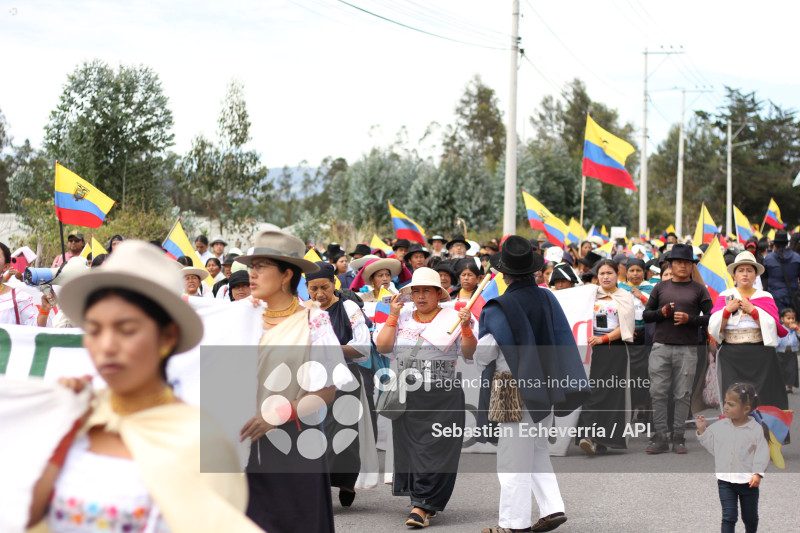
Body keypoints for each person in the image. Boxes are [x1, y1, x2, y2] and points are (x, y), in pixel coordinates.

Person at [24, 240, 259, 532]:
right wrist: (61, 424)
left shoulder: (201, 442)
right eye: (94, 329)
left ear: (167, 337)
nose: (106, 346)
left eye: (127, 329)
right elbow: (26, 516)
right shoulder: (75, 415)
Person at [235, 230, 351, 533]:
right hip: (240, 441)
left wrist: (276, 415)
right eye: (252, 266)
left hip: (295, 442)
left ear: (286, 274)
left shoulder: (314, 321)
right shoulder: (238, 317)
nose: (253, 274)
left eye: (261, 267)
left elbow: (326, 390)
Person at [473, 236, 589, 533]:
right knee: (536, 449)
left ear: (504, 274)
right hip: (548, 385)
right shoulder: (548, 297)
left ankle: (512, 524)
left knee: (512, 457)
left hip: (511, 388)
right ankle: (552, 508)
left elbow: (484, 354)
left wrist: (467, 329)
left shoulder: (497, 306)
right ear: (533, 270)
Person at [375, 267, 475, 528]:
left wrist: (465, 328)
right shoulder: (404, 315)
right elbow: (383, 347)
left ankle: (422, 505)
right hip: (409, 393)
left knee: (437, 449)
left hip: (443, 394)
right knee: (412, 450)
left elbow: (470, 353)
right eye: (416, 291)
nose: (420, 296)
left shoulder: (455, 316)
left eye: (426, 291)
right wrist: (393, 316)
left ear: (438, 294)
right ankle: (424, 501)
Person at [305, 262, 375, 508]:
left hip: (344, 377)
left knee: (343, 433)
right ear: (306, 288)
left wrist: (328, 348)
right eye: (313, 289)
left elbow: (362, 347)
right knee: (313, 433)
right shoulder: (304, 312)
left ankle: (345, 481)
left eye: (324, 287)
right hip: (312, 379)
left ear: (334, 283)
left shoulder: (348, 307)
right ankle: (318, 487)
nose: (319, 294)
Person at [644, 244, 712, 454]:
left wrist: (691, 319)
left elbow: (712, 317)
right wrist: (661, 313)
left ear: (692, 266)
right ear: (670, 265)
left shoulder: (700, 289)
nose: (683, 266)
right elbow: (646, 316)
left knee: (682, 394)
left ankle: (679, 436)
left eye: (687, 263)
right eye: (678, 262)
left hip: (688, 349)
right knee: (658, 392)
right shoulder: (660, 287)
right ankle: (661, 436)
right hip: (661, 346)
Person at [708, 251, 789, 413]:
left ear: (755, 275)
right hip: (732, 357)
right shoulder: (725, 296)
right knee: (734, 399)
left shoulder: (765, 297)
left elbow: (774, 326)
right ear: (734, 276)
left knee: (762, 399)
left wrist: (754, 311)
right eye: (741, 270)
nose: (745, 274)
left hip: (761, 357)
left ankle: (761, 434)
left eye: (749, 270)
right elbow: (714, 328)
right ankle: (735, 436)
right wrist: (726, 311)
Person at [577, 259, 635, 455]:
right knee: (591, 392)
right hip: (591, 350)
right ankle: (589, 436)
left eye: (609, 273)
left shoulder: (624, 296)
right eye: (602, 274)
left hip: (614, 350)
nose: (606, 277)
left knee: (610, 394)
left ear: (617, 274)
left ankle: (602, 439)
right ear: (597, 276)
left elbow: (626, 327)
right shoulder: (590, 295)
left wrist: (603, 339)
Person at [696, 383, 770, 533]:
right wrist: (703, 430)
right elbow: (713, 447)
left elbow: (762, 453)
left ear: (746, 409)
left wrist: (757, 473)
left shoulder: (755, 429)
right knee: (729, 517)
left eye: (731, 404)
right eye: (725, 402)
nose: (726, 407)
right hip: (725, 480)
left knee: (750, 518)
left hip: (748, 481)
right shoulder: (721, 425)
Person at [619, 257, 655, 416]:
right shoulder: (619, 289)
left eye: (638, 270)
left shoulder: (651, 288)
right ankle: (630, 407)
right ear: (626, 273)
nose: (635, 274)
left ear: (644, 272)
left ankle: (643, 407)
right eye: (632, 271)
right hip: (627, 336)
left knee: (645, 372)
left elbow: (655, 309)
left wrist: (641, 296)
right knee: (629, 373)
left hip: (646, 335)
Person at [1, 242, 53, 326]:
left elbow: (33, 327)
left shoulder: (18, 297)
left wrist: (44, 310)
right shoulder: (8, 277)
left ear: (6, 266)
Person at [763, 230, 800, 312]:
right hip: (793, 296)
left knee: (778, 322)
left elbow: (764, 279)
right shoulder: (797, 258)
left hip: (775, 296)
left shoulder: (768, 259)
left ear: (774, 244)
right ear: (787, 243)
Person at [776, 308, 800, 393]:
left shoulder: (795, 329)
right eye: (788, 318)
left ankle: (789, 387)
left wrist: (797, 329)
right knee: (781, 369)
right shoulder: (780, 328)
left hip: (792, 352)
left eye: (793, 318)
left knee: (791, 370)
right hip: (781, 352)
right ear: (782, 319)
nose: (791, 320)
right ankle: (781, 385)